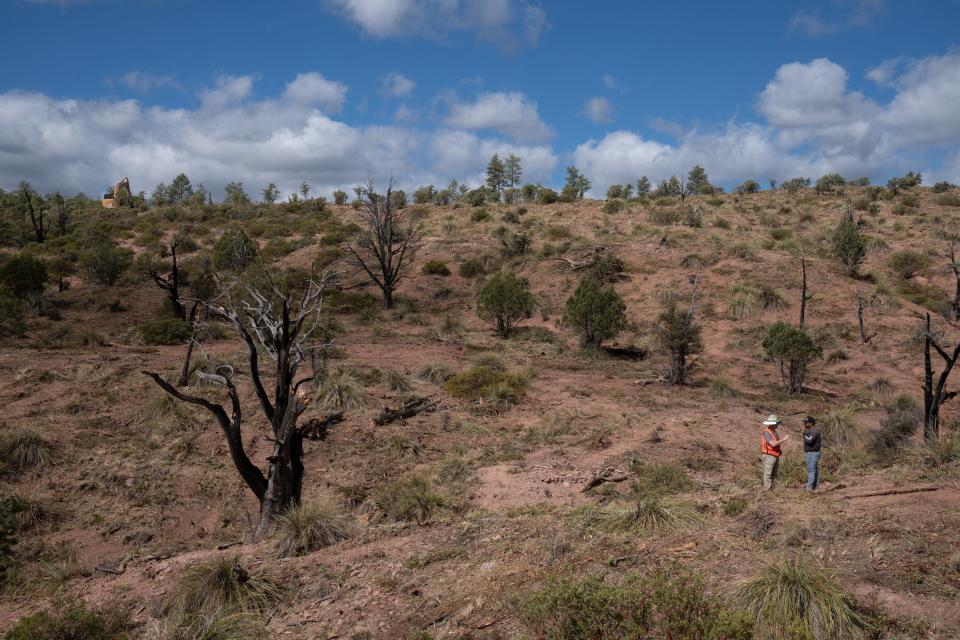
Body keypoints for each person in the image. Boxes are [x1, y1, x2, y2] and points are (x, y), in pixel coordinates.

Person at [761, 415, 789, 490]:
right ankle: (767, 490)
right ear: (773, 423)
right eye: (777, 423)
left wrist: (779, 450)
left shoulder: (774, 432)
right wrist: (783, 440)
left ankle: (772, 489)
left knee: (774, 473)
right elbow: (773, 444)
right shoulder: (767, 432)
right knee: (768, 473)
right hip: (768, 455)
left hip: (774, 454)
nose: (778, 424)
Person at [802, 416, 821, 491]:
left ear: (811, 423)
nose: (805, 423)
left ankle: (809, 486)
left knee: (811, 470)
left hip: (813, 453)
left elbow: (809, 441)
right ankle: (816, 485)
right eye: (805, 422)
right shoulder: (811, 430)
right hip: (812, 452)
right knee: (814, 469)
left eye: (806, 422)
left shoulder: (814, 431)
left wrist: (804, 434)